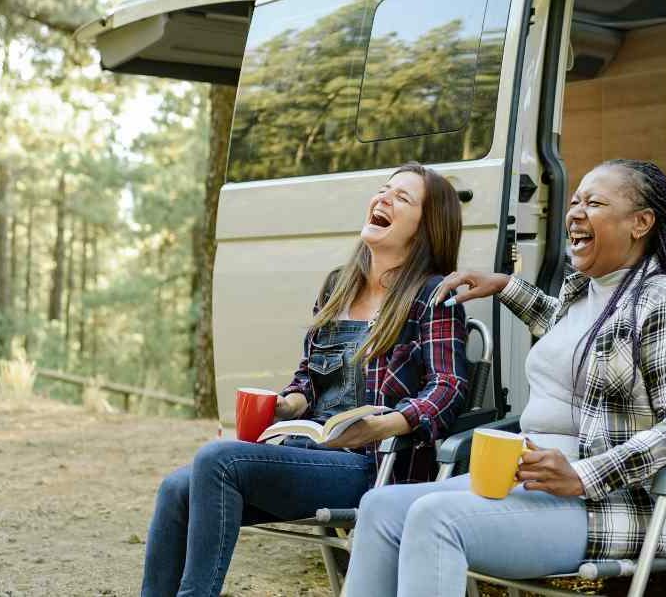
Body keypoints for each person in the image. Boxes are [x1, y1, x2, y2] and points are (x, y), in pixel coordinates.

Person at [347, 159, 666, 597]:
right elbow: (568, 334)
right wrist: (504, 285)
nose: (575, 212)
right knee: (379, 507)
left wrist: (583, 475)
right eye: (575, 200)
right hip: (532, 484)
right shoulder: (585, 290)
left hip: (610, 504)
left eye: (594, 203)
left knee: (436, 518)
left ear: (641, 223)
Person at [140, 162, 469, 597]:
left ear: (426, 227)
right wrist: (288, 405)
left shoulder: (433, 296)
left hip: (372, 464)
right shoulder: (339, 285)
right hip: (308, 452)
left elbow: (450, 386)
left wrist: (385, 424)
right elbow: (308, 378)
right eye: (383, 190)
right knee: (176, 488)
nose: (383, 198)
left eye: (402, 197)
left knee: (219, 460)